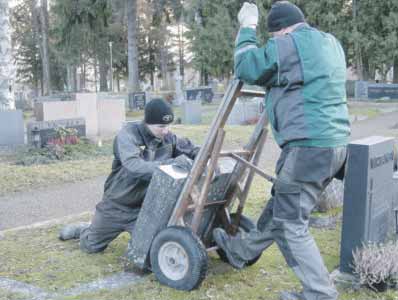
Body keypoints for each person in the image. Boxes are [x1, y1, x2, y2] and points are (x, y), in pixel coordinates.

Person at [212, 1, 351, 300]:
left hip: (308, 147)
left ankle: (320, 293)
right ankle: (240, 252)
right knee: (282, 206)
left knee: (290, 222)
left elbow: (248, 66)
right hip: (334, 145)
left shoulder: (290, 43)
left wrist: (247, 27)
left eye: (274, 37)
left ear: (281, 30)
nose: (275, 42)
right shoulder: (330, 42)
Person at [59, 98, 199, 254]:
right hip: (117, 205)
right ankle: (85, 230)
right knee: (91, 247)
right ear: (147, 122)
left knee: (148, 252)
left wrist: (201, 153)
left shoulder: (168, 138)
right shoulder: (127, 135)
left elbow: (192, 150)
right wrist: (172, 163)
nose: (166, 131)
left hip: (144, 208)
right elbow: (135, 167)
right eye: (161, 126)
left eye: (168, 126)